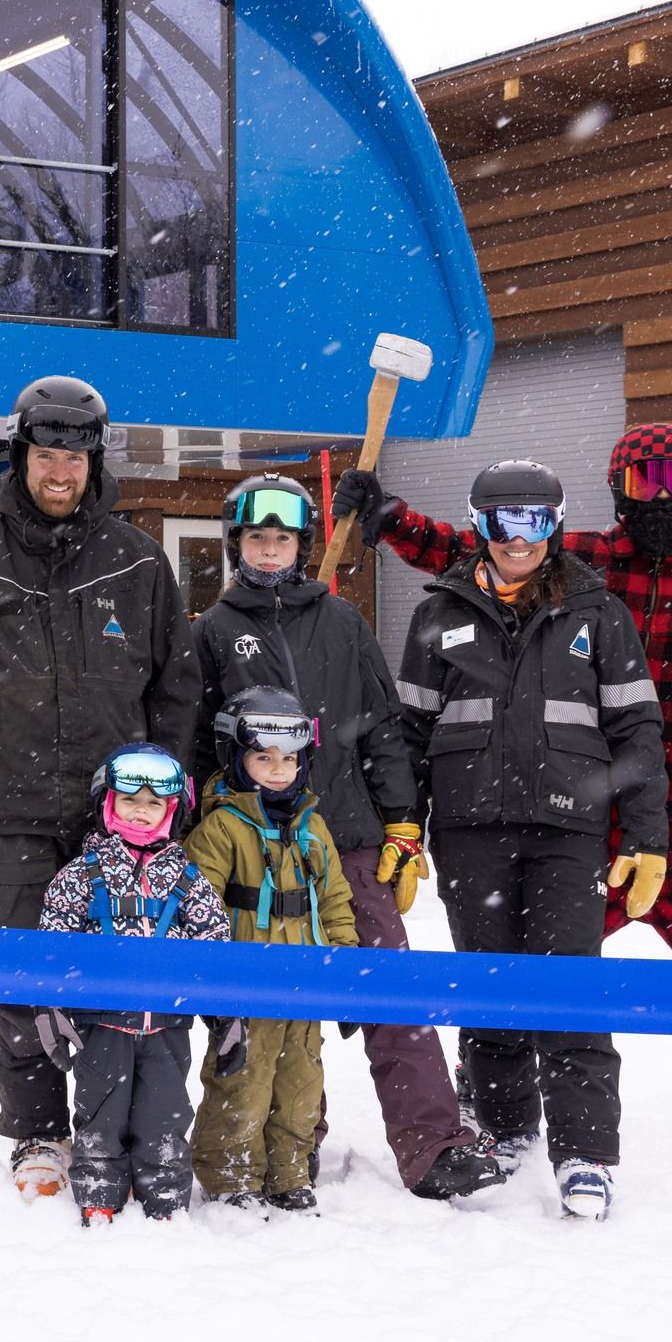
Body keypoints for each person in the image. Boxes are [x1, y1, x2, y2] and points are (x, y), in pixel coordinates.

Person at [336, 426, 672, 1170]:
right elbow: (471, 554)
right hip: (579, 817)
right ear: (617, 492)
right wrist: (389, 519)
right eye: (645, 484)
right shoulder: (583, 562)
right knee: (519, 969)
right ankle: (496, 1107)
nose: (662, 499)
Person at [0, 374, 200, 1199]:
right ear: (20, 456)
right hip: (11, 817)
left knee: (127, 983)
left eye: (74, 457)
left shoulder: (139, 562)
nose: (59, 472)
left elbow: (175, 693)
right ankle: (37, 1132)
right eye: (45, 455)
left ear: (93, 461)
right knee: (22, 979)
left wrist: (166, 806)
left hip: (123, 822)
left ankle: (114, 1130)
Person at [191, 474, 503, 1203]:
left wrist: (400, 819)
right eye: (257, 538)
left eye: (284, 538)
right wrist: (214, 817)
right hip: (258, 845)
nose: (270, 551)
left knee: (390, 995)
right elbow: (199, 740)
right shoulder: (211, 630)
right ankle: (289, 1142)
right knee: (270, 1011)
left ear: (302, 546)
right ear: (236, 544)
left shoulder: (343, 623)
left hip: (350, 837)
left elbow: (381, 729)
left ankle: (433, 1143)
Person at [393, 460, 668, 1221]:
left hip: (566, 828)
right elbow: (408, 734)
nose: (520, 539)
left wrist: (646, 834)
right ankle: (505, 1123)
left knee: (570, 984)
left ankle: (584, 1150)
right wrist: (402, 825)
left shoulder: (596, 612)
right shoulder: (438, 614)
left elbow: (637, 730)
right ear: (480, 524)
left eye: (536, 521)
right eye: (504, 521)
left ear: (555, 525)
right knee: (487, 980)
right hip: (470, 827)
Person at [33, 742, 232, 1224]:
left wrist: (227, 1016)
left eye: (153, 803)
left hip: (167, 1027)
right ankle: (99, 1192)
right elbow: (53, 943)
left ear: (170, 811)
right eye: (129, 800)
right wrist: (49, 1006)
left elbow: (215, 945)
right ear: (108, 803)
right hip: (101, 1027)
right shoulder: (81, 874)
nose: (141, 812)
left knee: (164, 1117)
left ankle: (165, 1198)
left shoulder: (187, 878)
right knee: (100, 1115)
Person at [183, 687, 359, 1214]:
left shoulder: (312, 825)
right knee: (241, 1083)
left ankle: (288, 1171)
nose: (279, 770)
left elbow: (334, 897)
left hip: (304, 983)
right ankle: (231, 1174)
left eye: (289, 759)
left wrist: (344, 963)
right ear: (237, 758)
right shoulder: (220, 828)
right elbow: (197, 905)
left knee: (301, 1085)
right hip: (244, 987)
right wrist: (212, 981)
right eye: (264, 758)